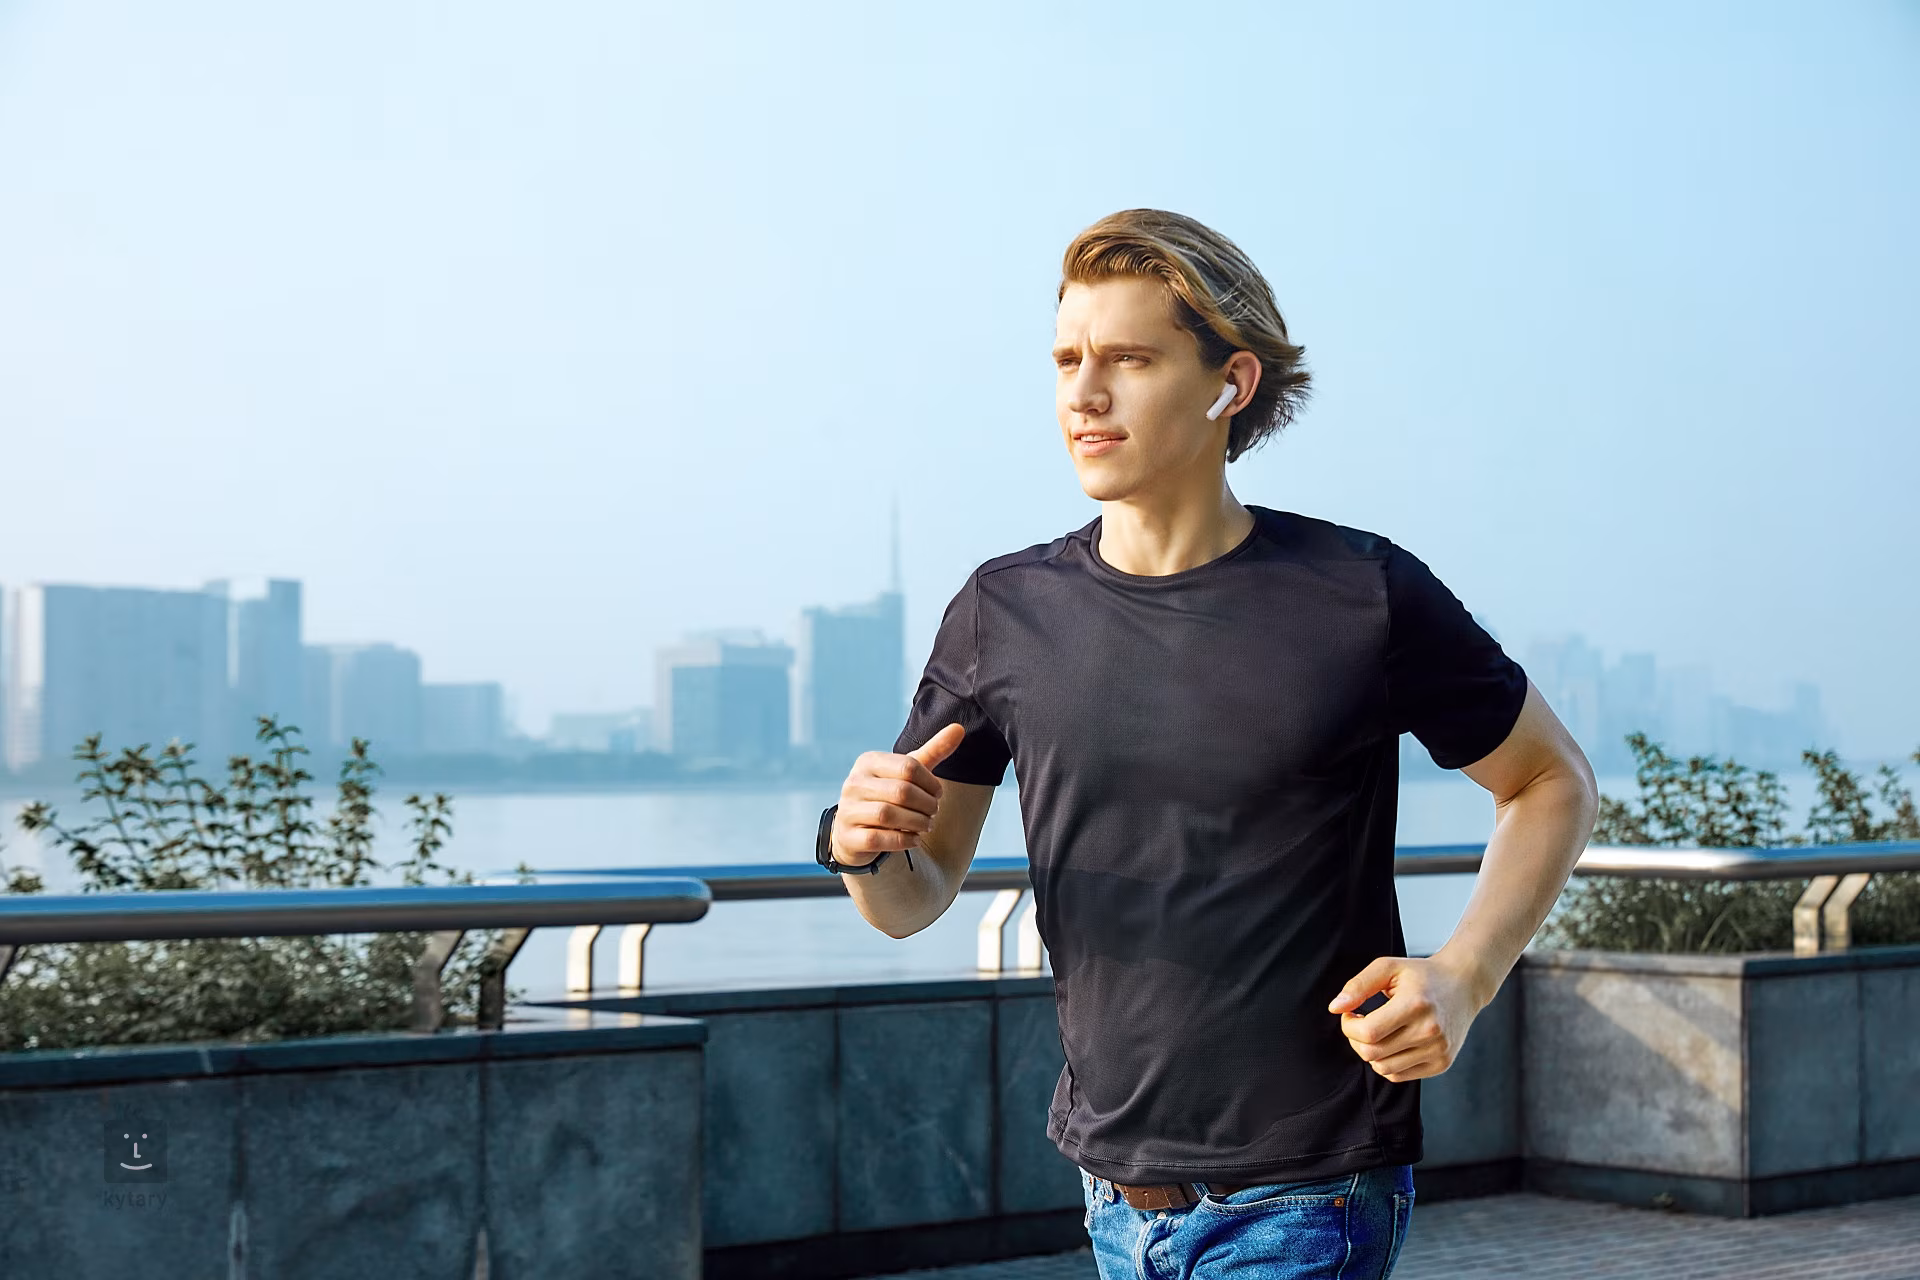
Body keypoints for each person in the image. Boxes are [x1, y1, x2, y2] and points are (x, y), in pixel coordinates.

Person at [818, 208, 1598, 1279]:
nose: (1085, 394)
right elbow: (913, 898)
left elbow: (1551, 779)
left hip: (1309, 1192)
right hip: (1112, 1198)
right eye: (1067, 361)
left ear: (1230, 383)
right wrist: (862, 845)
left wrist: (1464, 974)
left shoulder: (1360, 593)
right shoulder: (1004, 611)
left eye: (1128, 360)